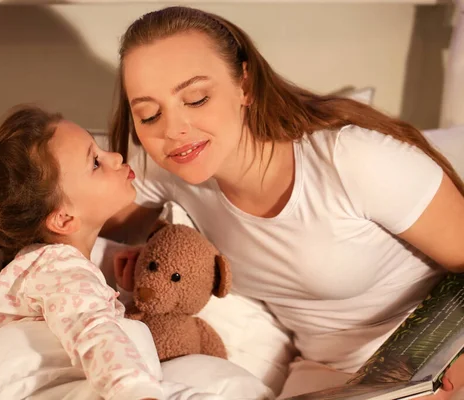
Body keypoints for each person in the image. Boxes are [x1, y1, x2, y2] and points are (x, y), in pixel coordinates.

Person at [102, 6, 464, 399]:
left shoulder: (351, 160)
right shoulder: (173, 169)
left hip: (435, 358)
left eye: (196, 98)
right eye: (150, 114)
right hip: (326, 377)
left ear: (246, 84)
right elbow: (74, 216)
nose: (173, 130)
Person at [0, 106, 163, 400]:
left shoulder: (48, 269)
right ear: (63, 219)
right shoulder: (57, 266)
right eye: (96, 162)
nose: (116, 157)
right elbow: (93, 331)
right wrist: (135, 391)